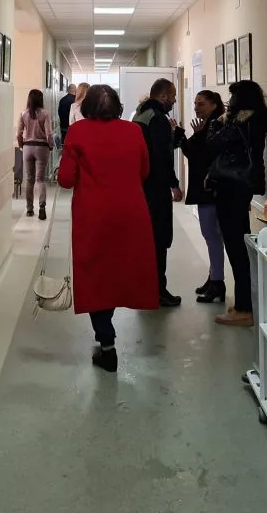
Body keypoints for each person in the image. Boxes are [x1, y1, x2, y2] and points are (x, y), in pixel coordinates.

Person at [57, 84, 160, 372]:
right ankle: (106, 335)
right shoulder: (133, 131)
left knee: (95, 274)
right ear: (118, 106)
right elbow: (144, 171)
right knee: (118, 271)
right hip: (131, 212)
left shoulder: (78, 132)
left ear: (87, 106)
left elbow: (66, 179)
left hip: (93, 214)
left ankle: (106, 342)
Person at [205, 80, 267, 327]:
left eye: (233, 96)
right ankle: (245, 302)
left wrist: (218, 122)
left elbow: (212, 145)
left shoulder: (242, 123)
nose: (229, 101)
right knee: (238, 245)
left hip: (231, 187)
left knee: (236, 247)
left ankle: (245, 308)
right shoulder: (256, 120)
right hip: (240, 187)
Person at [133, 79, 183, 306]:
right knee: (159, 239)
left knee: (145, 240)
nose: (174, 100)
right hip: (156, 188)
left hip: (140, 185)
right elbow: (161, 156)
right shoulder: (158, 118)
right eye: (172, 96)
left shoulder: (140, 115)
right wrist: (174, 184)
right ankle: (158, 291)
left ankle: (144, 287)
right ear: (163, 96)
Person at [177, 89, 227, 304]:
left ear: (214, 105)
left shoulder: (218, 125)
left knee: (211, 234)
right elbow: (191, 152)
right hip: (205, 188)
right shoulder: (206, 125)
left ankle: (217, 282)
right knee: (209, 235)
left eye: (201, 104)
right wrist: (181, 134)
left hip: (212, 189)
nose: (196, 107)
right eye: (196, 103)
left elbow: (205, 156)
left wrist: (196, 136)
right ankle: (214, 276)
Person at [16, 88, 54, 221]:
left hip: (27, 147)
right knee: (40, 179)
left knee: (29, 180)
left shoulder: (23, 114)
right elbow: (49, 134)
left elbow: (19, 134)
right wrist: (51, 146)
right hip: (42, 148)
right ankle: (42, 207)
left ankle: (29, 209)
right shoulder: (45, 114)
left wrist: (22, 146)